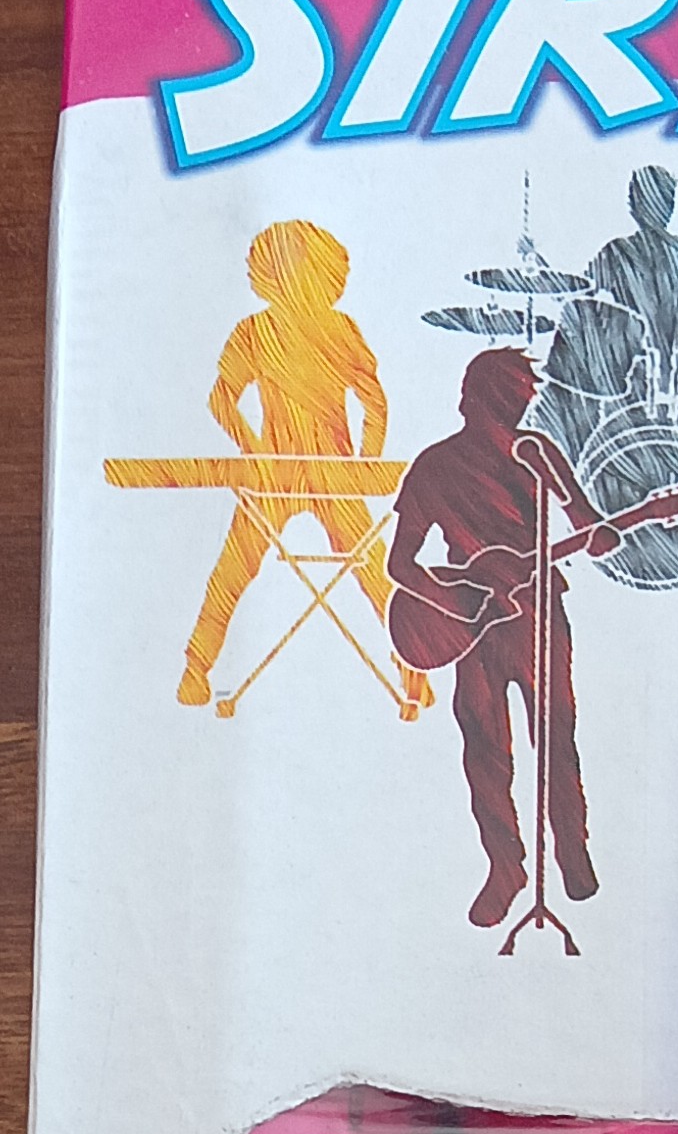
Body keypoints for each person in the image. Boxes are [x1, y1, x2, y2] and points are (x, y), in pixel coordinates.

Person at [387, 347, 617, 929]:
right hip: (476, 627)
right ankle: (505, 869)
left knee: (556, 736)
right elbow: (400, 564)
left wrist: (599, 531)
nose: (515, 414)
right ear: (474, 399)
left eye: (521, 403)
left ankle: (572, 855)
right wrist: (459, 602)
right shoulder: (435, 466)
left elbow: (585, 523)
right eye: (508, 401)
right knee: (486, 748)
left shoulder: (538, 454)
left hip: (540, 614)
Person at [176, 221, 401, 706]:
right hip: (282, 476)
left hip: (327, 476)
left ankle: (411, 664)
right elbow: (221, 399)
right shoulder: (255, 332)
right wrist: (256, 451)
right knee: (235, 569)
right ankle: (195, 668)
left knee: (372, 570)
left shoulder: (338, 330)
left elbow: (374, 402)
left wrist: (364, 466)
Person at [588, 164, 678, 377]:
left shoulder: (614, 252)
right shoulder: (615, 252)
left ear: (633, 205)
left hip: (642, 365)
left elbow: (579, 297)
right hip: (661, 365)